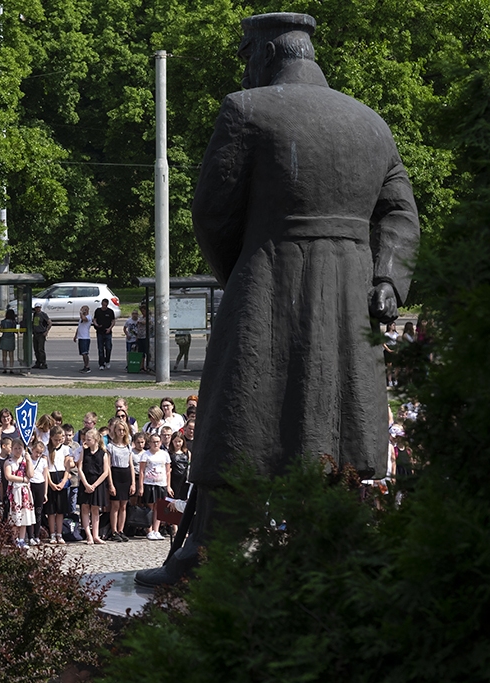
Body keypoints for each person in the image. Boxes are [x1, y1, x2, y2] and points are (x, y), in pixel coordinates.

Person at [141, 12, 420, 587]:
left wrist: (242, 274)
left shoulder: (246, 109)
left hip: (269, 283)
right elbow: (399, 214)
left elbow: (213, 214)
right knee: (337, 425)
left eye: (247, 53)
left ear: (266, 54)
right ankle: (332, 550)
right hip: (351, 299)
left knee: (240, 415)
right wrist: (385, 281)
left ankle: (208, 553)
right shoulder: (371, 123)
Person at [137, 433, 171, 541]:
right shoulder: (145, 455)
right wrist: (141, 487)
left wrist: (168, 486)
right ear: (149, 443)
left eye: (157, 441)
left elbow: (168, 471)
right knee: (150, 507)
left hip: (161, 483)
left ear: (160, 442)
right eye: (153, 442)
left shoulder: (165, 454)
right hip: (149, 483)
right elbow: (141, 471)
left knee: (158, 507)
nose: (155, 444)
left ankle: (156, 530)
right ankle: (149, 530)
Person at [106, 418, 136, 542]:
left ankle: (121, 529)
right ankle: (113, 531)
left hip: (126, 475)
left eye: (124, 430)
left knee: (124, 505)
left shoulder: (128, 446)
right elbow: (108, 466)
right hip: (116, 474)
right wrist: (111, 484)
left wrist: (133, 482)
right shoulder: (110, 446)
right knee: (115, 505)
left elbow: (131, 465)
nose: (121, 432)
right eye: (119, 429)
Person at [77, 428, 109, 544]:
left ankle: (96, 535)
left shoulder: (103, 453)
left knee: (95, 509)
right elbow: (79, 468)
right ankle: (88, 535)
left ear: (95, 440)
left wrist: (94, 485)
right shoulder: (83, 452)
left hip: (97, 483)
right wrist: (85, 484)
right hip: (86, 481)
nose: (86, 441)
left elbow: (105, 472)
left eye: (89, 439)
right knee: (85, 508)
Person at [92, 298, 116, 371]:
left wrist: (110, 328)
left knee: (108, 347)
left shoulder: (110, 312)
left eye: (105, 305)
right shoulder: (98, 311)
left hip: (108, 332)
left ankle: (107, 360)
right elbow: (94, 319)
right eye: (103, 305)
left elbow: (113, 321)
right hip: (100, 332)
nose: (104, 306)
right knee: (100, 348)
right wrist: (96, 325)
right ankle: (101, 363)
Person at [31, 303, 52, 369]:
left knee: (41, 349)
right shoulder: (34, 314)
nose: (37, 309)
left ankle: (43, 363)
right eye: (36, 308)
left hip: (41, 333)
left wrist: (46, 331)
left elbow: (50, 323)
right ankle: (38, 362)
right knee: (36, 349)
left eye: (38, 307)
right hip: (35, 333)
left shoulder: (43, 314)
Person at [74, 305, 92, 373]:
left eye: (83, 309)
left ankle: (87, 367)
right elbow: (79, 327)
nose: (82, 311)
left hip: (85, 337)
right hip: (80, 337)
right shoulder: (81, 318)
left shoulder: (88, 317)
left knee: (85, 353)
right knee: (82, 353)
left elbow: (85, 319)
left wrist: (81, 313)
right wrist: (75, 336)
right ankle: (85, 366)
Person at [0, 308, 17, 374]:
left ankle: (4, 368)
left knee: (4, 355)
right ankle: (11, 368)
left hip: (4, 338)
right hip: (11, 338)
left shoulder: (3, 322)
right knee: (11, 355)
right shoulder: (13, 322)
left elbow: (1, 330)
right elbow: (15, 331)